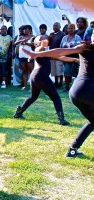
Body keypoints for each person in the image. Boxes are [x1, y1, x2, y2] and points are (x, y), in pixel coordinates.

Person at [22, 27, 94, 158]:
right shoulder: (86, 47)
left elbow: (63, 52)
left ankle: (73, 150)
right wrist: (37, 54)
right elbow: (60, 51)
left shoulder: (85, 47)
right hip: (89, 91)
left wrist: (36, 55)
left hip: (76, 92)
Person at [13, 34, 71, 126]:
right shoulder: (37, 50)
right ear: (36, 43)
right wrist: (41, 43)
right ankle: (62, 120)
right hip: (41, 76)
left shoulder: (46, 52)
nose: (44, 39)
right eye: (41, 38)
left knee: (33, 97)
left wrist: (76, 60)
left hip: (35, 76)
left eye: (45, 38)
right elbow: (40, 47)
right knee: (56, 98)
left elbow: (61, 57)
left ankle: (18, 112)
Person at [60, 24, 82, 92]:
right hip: (66, 58)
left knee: (76, 73)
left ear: (74, 29)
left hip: (75, 58)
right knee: (67, 72)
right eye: (69, 28)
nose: (70, 30)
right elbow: (61, 47)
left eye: (72, 28)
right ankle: (67, 86)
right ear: (67, 29)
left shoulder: (77, 37)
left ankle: (76, 88)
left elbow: (79, 47)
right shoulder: (64, 37)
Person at [49, 22, 66, 89]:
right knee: (54, 70)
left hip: (59, 55)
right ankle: (56, 83)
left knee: (59, 70)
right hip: (52, 55)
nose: (54, 27)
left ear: (59, 27)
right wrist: (49, 37)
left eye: (56, 25)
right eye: (53, 25)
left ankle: (60, 83)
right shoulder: (52, 35)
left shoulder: (62, 34)